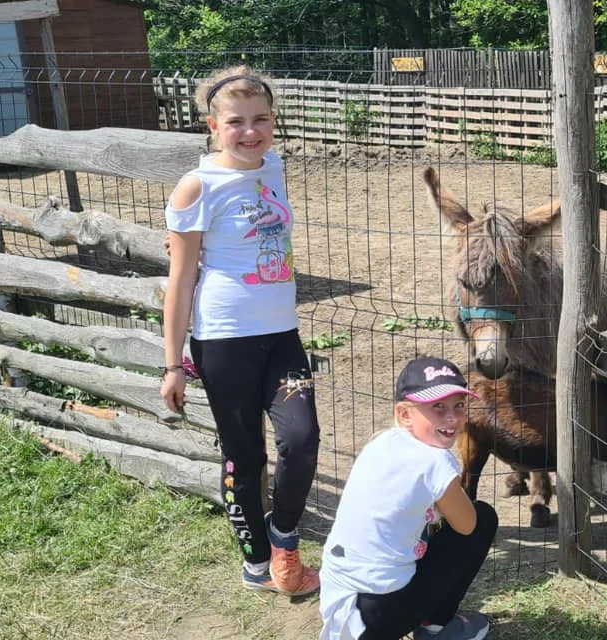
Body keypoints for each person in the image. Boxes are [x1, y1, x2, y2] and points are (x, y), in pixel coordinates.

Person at [160, 65, 320, 597]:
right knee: (245, 454)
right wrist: (171, 364)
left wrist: (243, 74)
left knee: (301, 437)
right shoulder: (196, 187)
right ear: (212, 125)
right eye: (236, 122)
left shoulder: (271, 165)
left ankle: (284, 535)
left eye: (261, 119)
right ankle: (257, 563)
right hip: (224, 341)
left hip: (282, 336)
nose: (250, 131)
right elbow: (180, 280)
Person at [319, 356, 499, 640]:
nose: (452, 418)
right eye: (438, 408)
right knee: (483, 518)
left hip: (340, 600)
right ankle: (435, 627)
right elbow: (467, 526)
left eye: (459, 406)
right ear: (404, 413)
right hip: (381, 613)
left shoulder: (380, 441)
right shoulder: (436, 461)